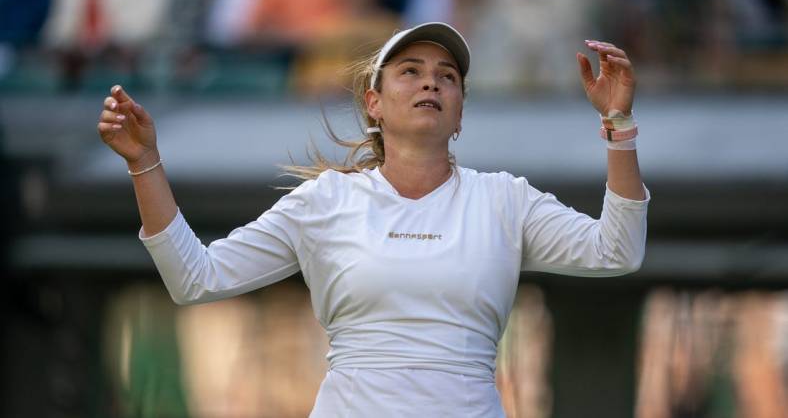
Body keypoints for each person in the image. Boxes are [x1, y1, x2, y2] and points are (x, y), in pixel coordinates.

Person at [97, 22, 649, 417]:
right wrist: (145, 163)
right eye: (410, 71)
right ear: (375, 104)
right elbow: (195, 279)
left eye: (447, 76)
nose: (431, 83)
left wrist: (618, 123)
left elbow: (617, 251)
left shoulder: (505, 199)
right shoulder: (324, 202)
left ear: (459, 113)